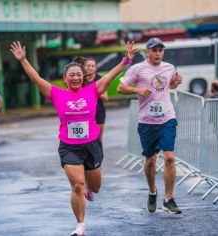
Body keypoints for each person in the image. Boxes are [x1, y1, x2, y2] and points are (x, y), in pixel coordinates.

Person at [10, 41, 136, 236]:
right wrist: (24, 60)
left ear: (82, 77)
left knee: (95, 186)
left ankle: (90, 189)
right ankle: (80, 225)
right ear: (65, 79)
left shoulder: (92, 90)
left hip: (92, 145)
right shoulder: (57, 94)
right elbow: (37, 79)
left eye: (78, 74)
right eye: (72, 75)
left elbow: (111, 75)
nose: (76, 77)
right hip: (69, 147)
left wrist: (126, 60)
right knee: (77, 185)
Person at [117, 37, 183, 214]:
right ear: (148, 52)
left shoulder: (169, 68)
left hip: (167, 118)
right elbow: (120, 88)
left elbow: (169, 86)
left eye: (160, 50)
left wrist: (175, 83)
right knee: (150, 160)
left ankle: (169, 199)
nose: (158, 53)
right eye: (154, 50)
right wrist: (137, 90)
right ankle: (152, 192)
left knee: (169, 157)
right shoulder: (138, 69)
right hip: (147, 122)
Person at [73, 56, 109, 141]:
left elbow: (106, 98)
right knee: (83, 139)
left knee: (98, 139)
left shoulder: (99, 79)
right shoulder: (79, 79)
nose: (90, 68)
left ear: (96, 68)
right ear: (84, 67)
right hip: (83, 113)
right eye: (88, 65)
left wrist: (94, 91)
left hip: (98, 112)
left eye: (93, 66)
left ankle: (98, 154)